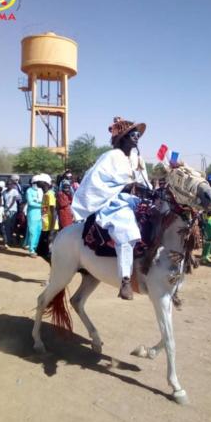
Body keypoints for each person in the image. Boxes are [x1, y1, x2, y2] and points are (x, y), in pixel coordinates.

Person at [72, 116, 150, 300]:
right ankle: (125, 280)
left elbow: (143, 182)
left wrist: (147, 191)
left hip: (135, 200)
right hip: (113, 202)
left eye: (138, 134)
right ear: (122, 137)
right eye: (133, 133)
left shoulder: (138, 159)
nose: (137, 137)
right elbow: (94, 181)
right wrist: (124, 187)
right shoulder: (109, 157)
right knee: (126, 229)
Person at [36, 173, 58, 261]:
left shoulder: (50, 195)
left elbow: (54, 213)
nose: (37, 182)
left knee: (48, 253)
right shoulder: (45, 194)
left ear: (45, 183)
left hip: (50, 227)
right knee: (42, 252)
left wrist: (52, 232)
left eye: (39, 181)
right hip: (45, 227)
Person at [25, 175, 43, 257]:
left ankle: (35, 248)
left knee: (38, 232)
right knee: (32, 232)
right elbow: (30, 203)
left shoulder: (41, 191)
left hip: (40, 214)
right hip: (32, 214)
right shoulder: (29, 191)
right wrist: (42, 205)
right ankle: (31, 250)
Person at [3, 179, 21, 246]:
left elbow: (14, 200)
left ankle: (12, 239)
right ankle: (8, 241)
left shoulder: (14, 191)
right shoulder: (4, 192)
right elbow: (4, 201)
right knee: (7, 226)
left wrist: (8, 208)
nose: (9, 185)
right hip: (6, 211)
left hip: (13, 210)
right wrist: (5, 209)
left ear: (12, 185)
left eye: (10, 184)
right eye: (7, 184)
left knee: (12, 226)